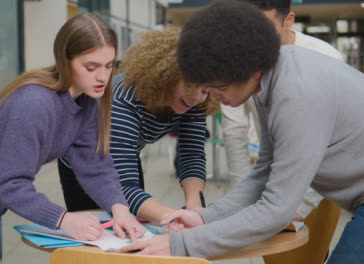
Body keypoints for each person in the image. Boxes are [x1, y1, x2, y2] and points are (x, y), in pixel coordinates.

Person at [119, 1, 364, 262]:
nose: (212, 95)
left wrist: (182, 244)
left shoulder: (296, 92)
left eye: (218, 85)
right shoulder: (266, 85)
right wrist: (203, 216)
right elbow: (264, 174)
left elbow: (277, 210)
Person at [0, 14, 145, 264]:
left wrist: (120, 208)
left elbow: (94, 166)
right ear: (65, 61)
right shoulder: (33, 103)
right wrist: (63, 219)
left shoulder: (86, 101)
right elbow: (11, 185)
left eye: (109, 65)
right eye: (91, 67)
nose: (103, 77)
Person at [58, 27, 219, 223]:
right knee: (96, 237)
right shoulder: (124, 101)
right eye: (188, 85)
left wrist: (195, 207)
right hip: (84, 161)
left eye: (205, 90)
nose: (196, 97)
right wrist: (174, 218)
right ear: (165, 75)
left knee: (136, 226)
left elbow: (191, 154)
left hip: (123, 153)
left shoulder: (193, 101)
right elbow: (124, 187)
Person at [223, 0, 344, 220]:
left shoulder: (326, 58)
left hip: (322, 187)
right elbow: (234, 131)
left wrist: (298, 209)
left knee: (313, 252)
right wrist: (241, 201)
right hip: (273, 176)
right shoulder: (238, 60)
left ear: (288, 21)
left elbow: (331, 146)